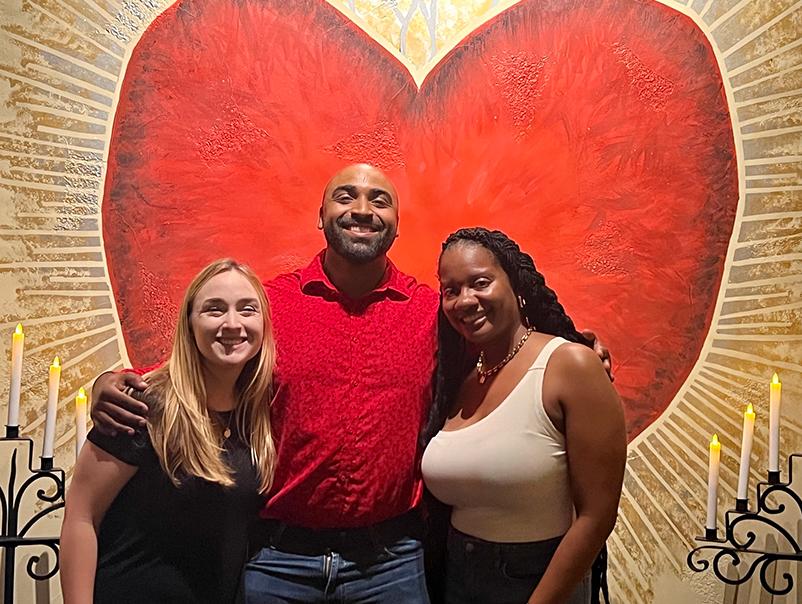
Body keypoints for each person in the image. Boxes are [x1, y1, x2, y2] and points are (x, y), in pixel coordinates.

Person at [89, 164, 612, 603]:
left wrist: (578, 347)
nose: (363, 208)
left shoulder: (433, 311)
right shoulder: (270, 303)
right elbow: (198, 360)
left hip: (392, 562)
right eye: (346, 196)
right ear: (321, 217)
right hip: (277, 557)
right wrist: (113, 381)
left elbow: (507, 347)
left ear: (396, 225)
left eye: (379, 199)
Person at [421, 228, 627, 604]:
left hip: (537, 581)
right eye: (451, 290)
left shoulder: (569, 364)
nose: (465, 300)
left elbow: (597, 517)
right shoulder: (460, 377)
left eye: (480, 282)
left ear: (514, 283)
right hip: (455, 577)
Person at [60, 258, 276, 603]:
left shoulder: (260, 415)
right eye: (214, 310)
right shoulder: (143, 406)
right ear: (190, 323)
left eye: (247, 310)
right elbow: (82, 515)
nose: (232, 324)